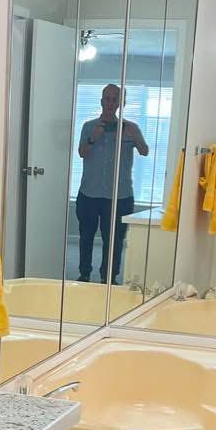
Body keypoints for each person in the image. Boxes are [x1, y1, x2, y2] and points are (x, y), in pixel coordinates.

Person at [76, 84, 149, 284]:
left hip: (120, 196)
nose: (110, 103)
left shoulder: (131, 128)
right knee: (86, 237)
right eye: (107, 99)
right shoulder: (89, 127)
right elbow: (82, 152)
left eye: (115, 99)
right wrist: (94, 138)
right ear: (101, 101)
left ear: (121, 103)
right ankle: (83, 275)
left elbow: (144, 151)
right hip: (89, 194)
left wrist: (133, 135)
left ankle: (109, 278)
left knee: (114, 241)